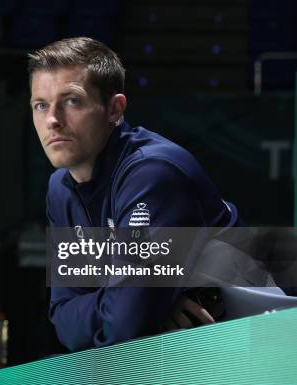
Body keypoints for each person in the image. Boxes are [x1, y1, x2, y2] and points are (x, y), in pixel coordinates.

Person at [28, 37, 241, 351]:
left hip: (248, 348)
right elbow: (63, 319)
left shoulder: (153, 174)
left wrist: (132, 310)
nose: (53, 120)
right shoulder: (59, 188)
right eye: (41, 105)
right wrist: (147, 309)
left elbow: (124, 322)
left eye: (72, 101)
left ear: (115, 109)